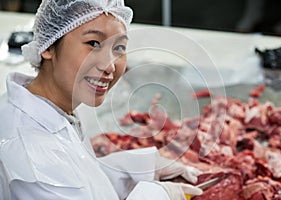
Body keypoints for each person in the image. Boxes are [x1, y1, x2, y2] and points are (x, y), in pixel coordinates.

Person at [0, 0, 203, 199]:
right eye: (93, 43)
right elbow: (55, 176)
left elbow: (78, 180)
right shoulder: (32, 151)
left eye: (119, 48)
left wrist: (138, 169)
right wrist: (158, 195)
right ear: (48, 46)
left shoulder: (53, 106)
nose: (110, 66)